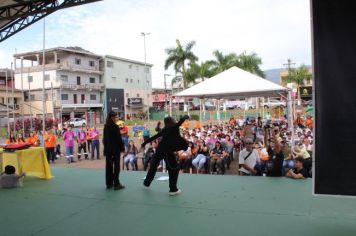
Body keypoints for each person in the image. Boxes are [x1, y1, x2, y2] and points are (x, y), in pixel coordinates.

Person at [141, 115, 190, 196]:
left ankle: (147, 182)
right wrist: (184, 117)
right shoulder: (173, 127)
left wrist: (144, 144)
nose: (174, 120)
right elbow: (179, 123)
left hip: (160, 150)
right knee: (173, 169)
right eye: (173, 119)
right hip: (167, 151)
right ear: (171, 121)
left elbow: (154, 136)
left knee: (153, 165)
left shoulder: (166, 129)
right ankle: (173, 189)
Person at [103, 111, 125, 190]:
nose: (117, 118)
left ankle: (109, 184)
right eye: (116, 117)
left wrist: (105, 150)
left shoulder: (106, 127)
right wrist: (122, 148)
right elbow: (119, 139)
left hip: (108, 151)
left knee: (108, 167)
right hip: (115, 151)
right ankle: (116, 184)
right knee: (116, 167)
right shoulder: (115, 127)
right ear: (112, 118)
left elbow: (104, 140)